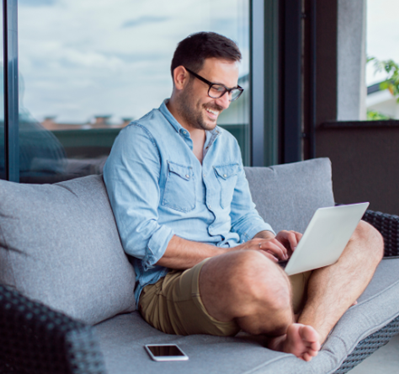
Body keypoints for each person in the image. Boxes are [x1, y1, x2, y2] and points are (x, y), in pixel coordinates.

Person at [102, 32, 383, 362]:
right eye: (216, 88)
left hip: (248, 269)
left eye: (231, 91)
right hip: (172, 287)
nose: (223, 102)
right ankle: (321, 301)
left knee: (364, 234)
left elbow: (243, 214)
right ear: (180, 77)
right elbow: (140, 235)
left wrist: (268, 241)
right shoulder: (140, 141)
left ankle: (304, 333)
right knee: (250, 269)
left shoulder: (226, 144)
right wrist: (232, 253)